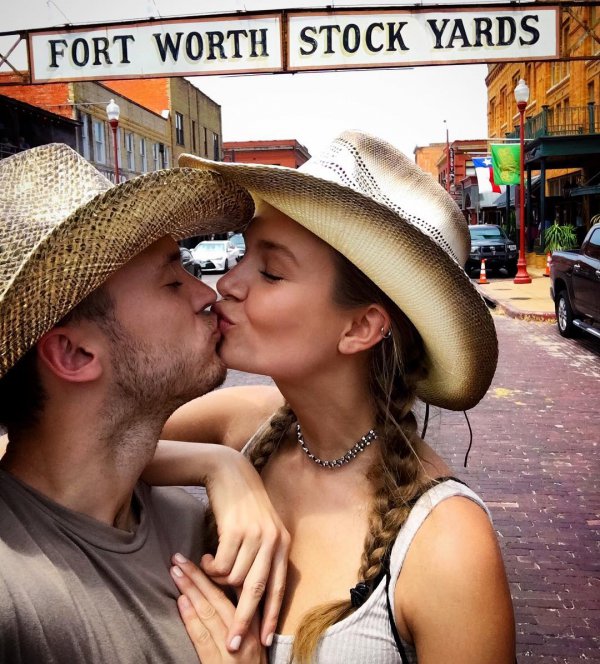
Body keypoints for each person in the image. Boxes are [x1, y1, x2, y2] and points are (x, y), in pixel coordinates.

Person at [148, 131, 516, 662]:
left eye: (271, 272)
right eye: (244, 255)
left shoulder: (448, 542)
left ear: (362, 327)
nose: (227, 283)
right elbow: (52, 459)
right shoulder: (245, 427)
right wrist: (219, 468)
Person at [0, 143, 289, 662]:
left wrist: (222, 464)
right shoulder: (14, 597)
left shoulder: (197, 526)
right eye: (171, 281)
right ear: (73, 352)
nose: (208, 295)